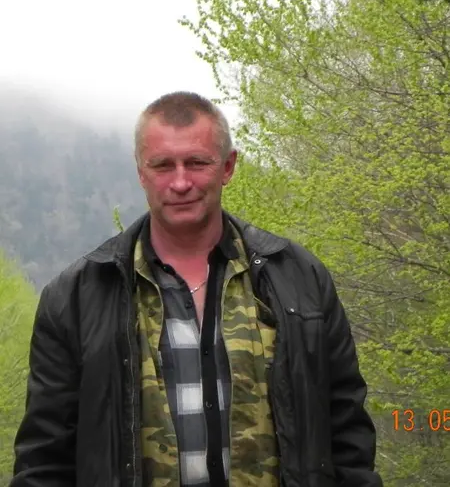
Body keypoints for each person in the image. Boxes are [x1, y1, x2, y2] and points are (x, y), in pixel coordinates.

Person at [11, 91, 383, 487]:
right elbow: (44, 460)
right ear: (141, 172)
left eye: (197, 163)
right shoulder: (76, 298)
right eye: (162, 165)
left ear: (228, 166)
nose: (180, 182)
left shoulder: (299, 278)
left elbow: (347, 432)